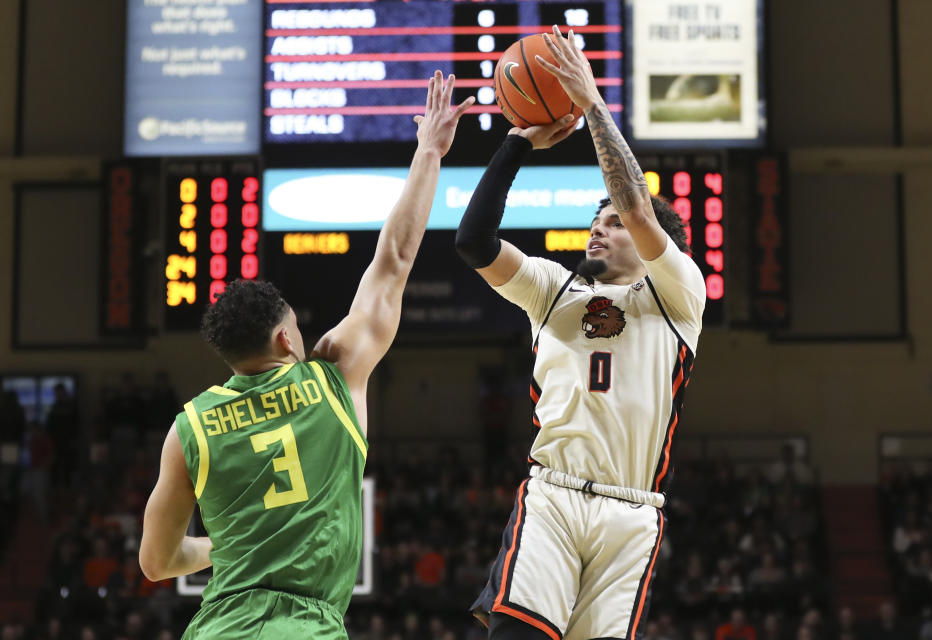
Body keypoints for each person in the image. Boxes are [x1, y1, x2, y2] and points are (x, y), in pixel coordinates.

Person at [138, 71, 474, 639]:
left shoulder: (189, 428)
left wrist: (229, 545)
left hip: (218, 627)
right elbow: (393, 259)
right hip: (306, 627)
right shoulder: (334, 376)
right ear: (285, 340)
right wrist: (429, 152)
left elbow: (155, 563)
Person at [459, 26, 705, 640]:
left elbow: (640, 205)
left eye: (613, 224)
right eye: (595, 221)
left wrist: (593, 103)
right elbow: (473, 243)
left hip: (632, 511)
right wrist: (517, 142)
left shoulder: (677, 294)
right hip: (554, 495)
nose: (599, 230)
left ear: (652, 245)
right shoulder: (552, 289)